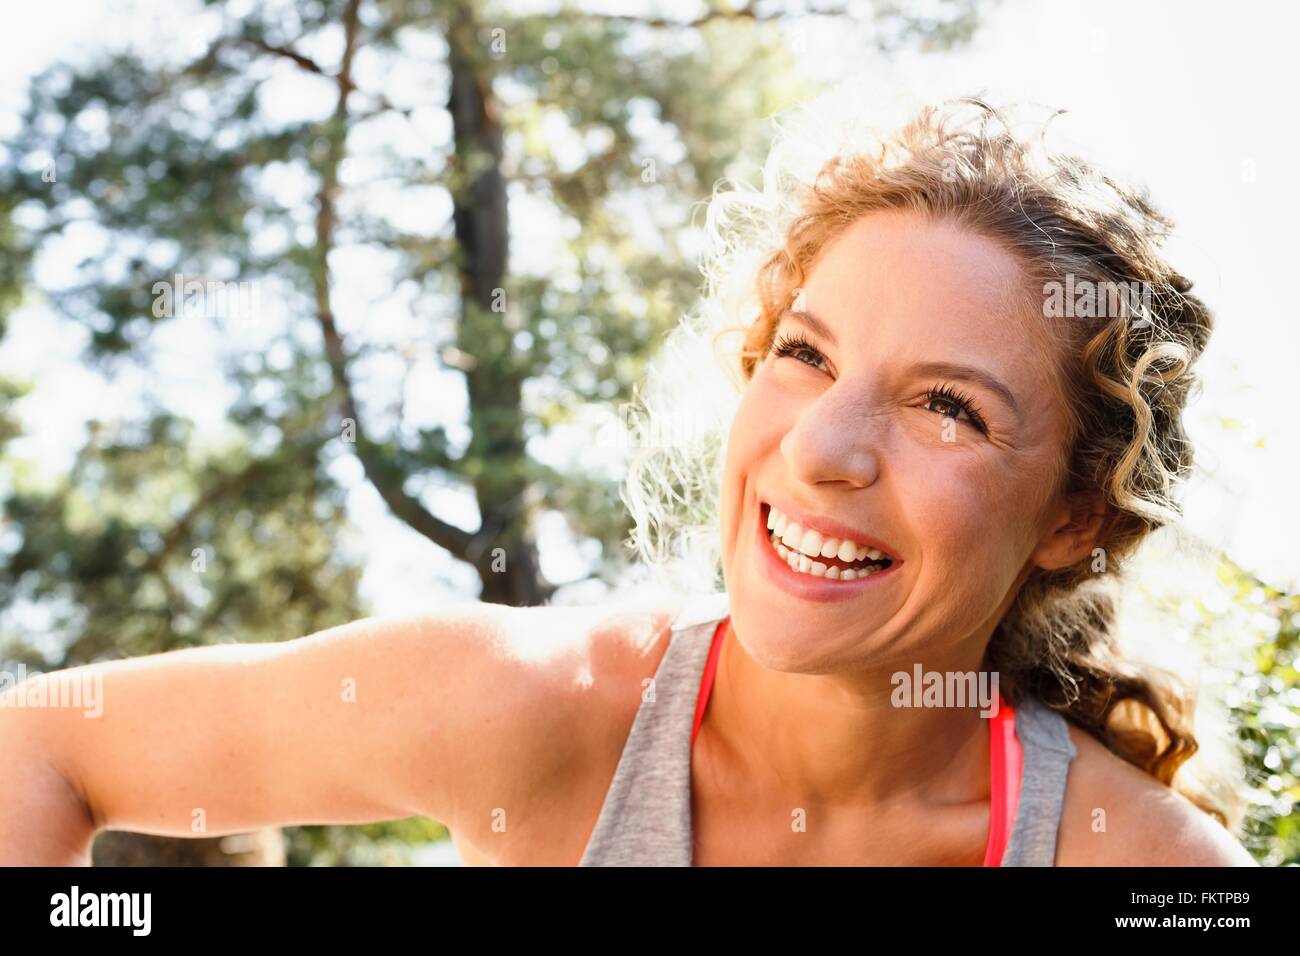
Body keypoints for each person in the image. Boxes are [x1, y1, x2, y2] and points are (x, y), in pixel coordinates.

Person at [0, 94, 1257, 866]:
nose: (823, 446)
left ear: (1074, 514)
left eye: (947, 406)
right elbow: (42, 743)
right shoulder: (533, 711)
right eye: (803, 355)